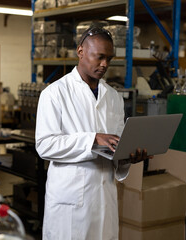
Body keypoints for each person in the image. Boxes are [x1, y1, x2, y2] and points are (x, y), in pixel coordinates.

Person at [35, 27, 148, 239]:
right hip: (70, 202)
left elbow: (116, 146)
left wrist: (128, 157)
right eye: (100, 57)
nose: (105, 64)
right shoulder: (55, 93)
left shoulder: (113, 97)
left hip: (104, 198)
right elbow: (45, 145)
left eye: (109, 58)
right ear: (80, 51)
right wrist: (92, 139)